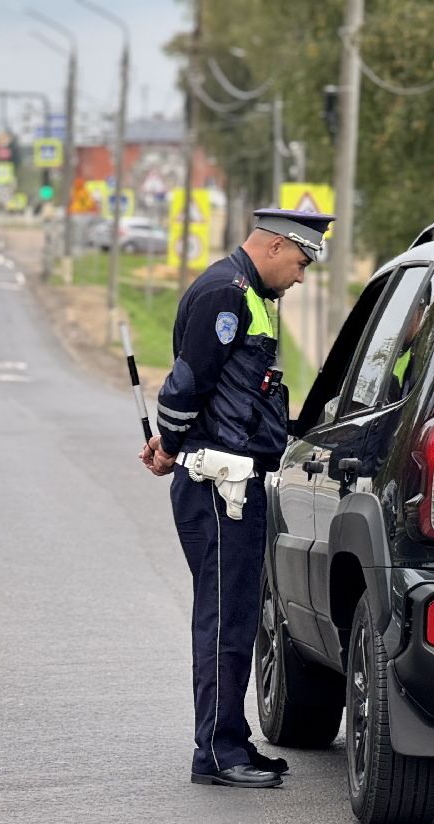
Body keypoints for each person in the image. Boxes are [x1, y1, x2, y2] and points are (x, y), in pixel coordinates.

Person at [140, 208, 335, 788]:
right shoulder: (227, 293)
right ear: (274, 246)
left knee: (237, 617)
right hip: (219, 486)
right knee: (225, 620)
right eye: (300, 261)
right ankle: (217, 753)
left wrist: (172, 443)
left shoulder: (246, 292)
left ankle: (231, 738)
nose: (300, 276)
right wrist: (170, 443)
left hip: (234, 484)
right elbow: (187, 383)